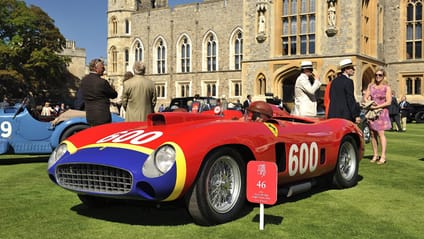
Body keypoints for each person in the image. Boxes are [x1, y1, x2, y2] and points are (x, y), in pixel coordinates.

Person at [364, 67, 392, 164]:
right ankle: (375, 155)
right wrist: (370, 103)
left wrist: (377, 107)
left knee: (381, 134)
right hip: (372, 113)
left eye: (380, 75)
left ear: (383, 76)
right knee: (372, 134)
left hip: (382, 113)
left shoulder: (386, 87)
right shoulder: (371, 86)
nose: (377, 77)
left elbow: (389, 102)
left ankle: (383, 156)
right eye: (376, 75)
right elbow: (365, 97)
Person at [80, 58, 118, 126]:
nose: (104, 69)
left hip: (90, 115)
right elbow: (114, 95)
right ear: (95, 68)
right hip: (102, 116)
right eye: (102, 67)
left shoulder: (84, 80)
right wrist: (112, 87)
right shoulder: (102, 82)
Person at [328, 59, 361, 123]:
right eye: (352, 68)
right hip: (345, 115)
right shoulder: (348, 81)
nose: (354, 70)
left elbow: (331, 96)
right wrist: (356, 115)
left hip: (333, 114)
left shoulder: (334, 81)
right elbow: (350, 99)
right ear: (346, 69)